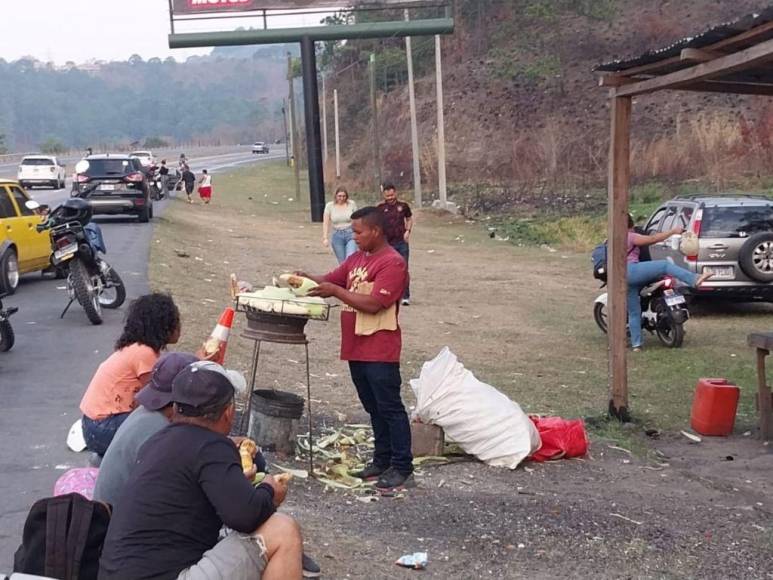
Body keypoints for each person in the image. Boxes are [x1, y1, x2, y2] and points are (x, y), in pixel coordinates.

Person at [98, 361, 303, 580]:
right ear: (228, 412)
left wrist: (236, 483)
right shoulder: (212, 446)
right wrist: (269, 491)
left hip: (115, 572)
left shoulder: (157, 441)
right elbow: (245, 516)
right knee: (283, 529)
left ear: (175, 409)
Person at [302, 206, 413, 490]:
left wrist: (336, 292)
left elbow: (375, 303)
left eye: (358, 232)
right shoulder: (357, 258)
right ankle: (381, 460)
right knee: (373, 407)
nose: (355, 236)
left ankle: (402, 466)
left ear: (375, 231)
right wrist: (304, 278)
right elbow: (332, 278)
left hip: (380, 347)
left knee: (389, 407)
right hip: (356, 345)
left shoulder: (393, 263)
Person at [79, 293, 181, 456]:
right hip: (104, 427)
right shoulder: (144, 354)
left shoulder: (135, 348)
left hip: (92, 425)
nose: (179, 327)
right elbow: (157, 398)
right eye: (176, 321)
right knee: (162, 423)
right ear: (163, 326)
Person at [626, 214, 713, 351]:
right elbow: (653, 239)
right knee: (664, 265)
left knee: (634, 312)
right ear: (631, 225)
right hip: (632, 270)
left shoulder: (611, 239)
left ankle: (636, 344)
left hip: (621, 278)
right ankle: (694, 279)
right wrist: (673, 231)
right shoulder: (630, 236)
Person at [377, 183, 413, 306]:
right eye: (387, 196)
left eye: (392, 195)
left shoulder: (403, 206)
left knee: (403, 269)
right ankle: (389, 294)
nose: (390, 198)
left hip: (401, 243)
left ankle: (405, 296)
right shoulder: (380, 208)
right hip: (387, 245)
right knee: (387, 270)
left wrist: (408, 231)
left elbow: (409, 218)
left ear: (395, 193)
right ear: (384, 195)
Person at [322, 187, 358, 263]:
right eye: (339, 196)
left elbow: (357, 219)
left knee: (350, 259)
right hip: (337, 235)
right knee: (342, 262)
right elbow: (326, 223)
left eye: (344, 196)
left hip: (350, 233)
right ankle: (345, 275)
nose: (341, 198)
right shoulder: (330, 206)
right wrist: (325, 237)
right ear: (335, 196)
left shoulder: (351, 204)